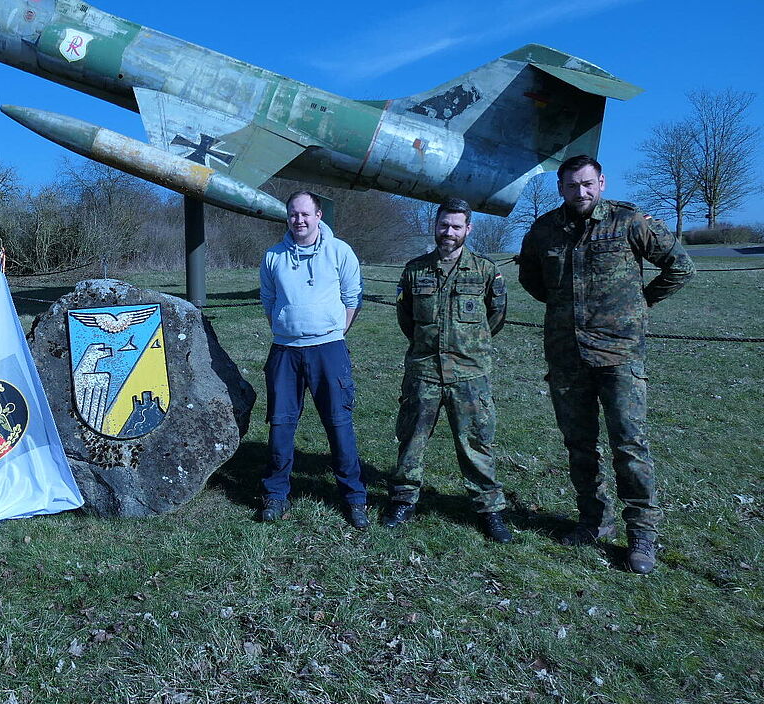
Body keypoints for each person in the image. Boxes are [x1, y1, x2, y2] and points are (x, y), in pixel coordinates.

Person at [518, 154, 695, 574]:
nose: (580, 192)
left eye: (587, 184)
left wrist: (640, 304)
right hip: (566, 355)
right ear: (560, 187)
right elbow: (531, 279)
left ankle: (643, 535)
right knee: (579, 446)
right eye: (571, 185)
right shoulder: (544, 230)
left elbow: (680, 266)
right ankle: (594, 521)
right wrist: (566, 309)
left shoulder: (629, 222)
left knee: (629, 446)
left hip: (619, 355)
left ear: (602, 182)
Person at [384, 198, 511, 541]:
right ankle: (403, 499)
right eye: (444, 225)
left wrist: (467, 346)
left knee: (476, 443)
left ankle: (489, 509)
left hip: (470, 374)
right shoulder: (415, 270)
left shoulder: (485, 271)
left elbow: (495, 317)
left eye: (456, 226)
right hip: (424, 371)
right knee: (411, 440)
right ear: (435, 226)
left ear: (468, 229)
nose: (449, 233)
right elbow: (406, 319)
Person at [258, 190, 367, 528]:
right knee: (281, 425)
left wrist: (332, 333)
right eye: (293, 214)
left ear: (319, 216)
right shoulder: (273, 257)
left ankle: (354, 498)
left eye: (305, 214)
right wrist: (288, 327)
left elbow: (352, 298)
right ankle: (275, 496)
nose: (299, 220)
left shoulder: (340, 252)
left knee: (339, 425)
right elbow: (268, 299)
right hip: (285, 352)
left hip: (329, 350)